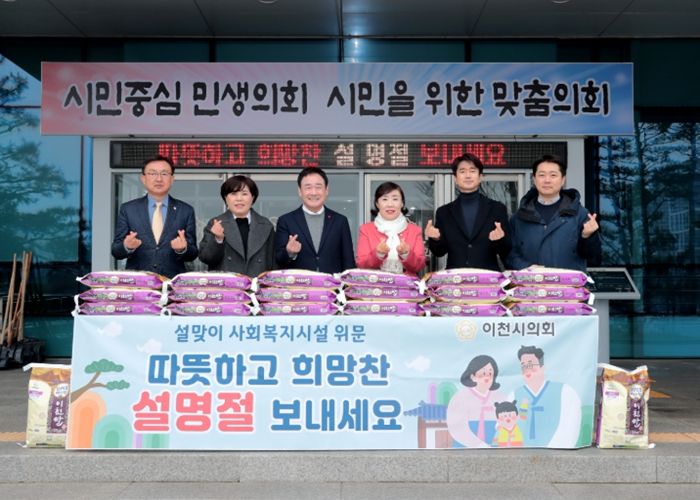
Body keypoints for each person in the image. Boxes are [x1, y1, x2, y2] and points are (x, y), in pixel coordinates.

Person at [507, 154, 601, 272]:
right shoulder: (519, 217)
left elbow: (593, 257)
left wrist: (587, 237)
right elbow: (510, 254)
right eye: (542, 175)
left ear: (562, 180)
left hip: (568, 283)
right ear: (534, 179)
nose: (547, 180)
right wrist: (527, 268)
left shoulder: (580, 214)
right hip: (531, 282)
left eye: (553, 175)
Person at [111, 155, 197, 278]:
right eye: (152, 173)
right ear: (143, 178)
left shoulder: (185, 210)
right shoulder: (128, 209)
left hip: (172, 283)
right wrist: (127, 246)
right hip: (138, 283)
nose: (159, 179)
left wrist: (182, 249)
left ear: (172, 179)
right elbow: (116, 251)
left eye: (164, 174)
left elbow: (193, 253)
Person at [425, 153, 511, 271]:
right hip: (456, 277)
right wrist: (436, 239)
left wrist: (500, 239)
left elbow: (506, 250)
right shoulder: (444, 212)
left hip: (487, 277)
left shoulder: (497, 209)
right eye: (462, 171)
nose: (468, 175)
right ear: (455, 179)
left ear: (480, 177)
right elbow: (439, 252)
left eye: (472, 171)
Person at [274, 167, 355, 274]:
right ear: (300, 191)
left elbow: (348, 261)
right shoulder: (286, 221)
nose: (313, 192)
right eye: (308, 187)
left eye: (318, 187)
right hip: (299, 283)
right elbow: (278, 260)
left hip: (332, 283)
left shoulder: (340, 221)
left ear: (326, 190)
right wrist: (289, 252)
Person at [198, 175, 275, 277]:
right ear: (226, 198)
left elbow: (273, 262)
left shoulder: (265, 225)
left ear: (252, 198)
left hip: (257, 284)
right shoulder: (216, 223)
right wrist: (218, 239)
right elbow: (205, 258)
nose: (239, 199)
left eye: (244, 194)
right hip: (227, 284)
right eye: (233, 194)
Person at [509, 345, 581, 448]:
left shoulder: (564, 392)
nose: (527, 369)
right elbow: (504, 427)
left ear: (542, 367)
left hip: (556, 451)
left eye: (531, 365)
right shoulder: (514, 395)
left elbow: (571, 426)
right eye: (524, 366)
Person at [355, 182, 425, 275]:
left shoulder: (415, 230)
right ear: (377, 204)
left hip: (406, 283)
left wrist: (406, 254)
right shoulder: (366, 229)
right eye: (385, 199)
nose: (390, 204)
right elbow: (361, 265)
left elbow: (420, 266)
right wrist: (378, 254)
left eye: (395, 199)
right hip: (375, 283)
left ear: (402, 203)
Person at [446, 354, 505, 448]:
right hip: (465, 449)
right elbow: (457, 428)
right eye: (482, 374)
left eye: (490, 374)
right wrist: (479, 444)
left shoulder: (500, 398)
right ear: (472, 376)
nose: (487, 378)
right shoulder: (460, 398)